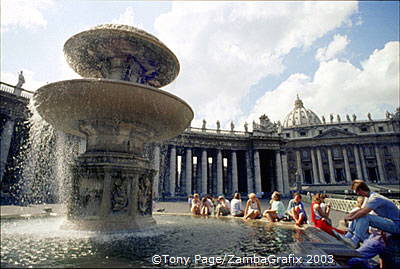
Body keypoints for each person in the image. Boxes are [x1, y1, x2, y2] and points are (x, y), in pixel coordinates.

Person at [344, 180, 400, 248]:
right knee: (359, 215)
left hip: (395, 225)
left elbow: (364, 212)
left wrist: (351, 218)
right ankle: (349, 235)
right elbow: (360, 210)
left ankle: (355, 240)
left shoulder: (375, 198)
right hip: (388, 222)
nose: (357, 194)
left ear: (360, 190)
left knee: (365, 217)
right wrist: (350, 215)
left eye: (356, 192)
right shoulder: (368, 197)